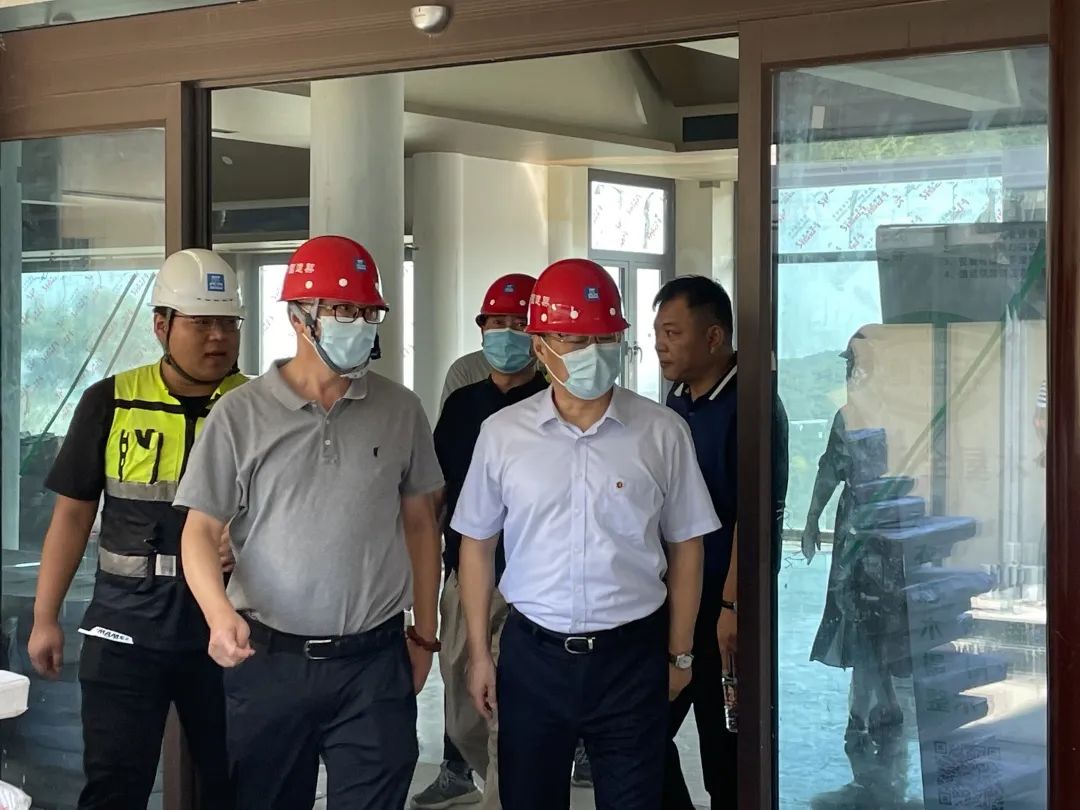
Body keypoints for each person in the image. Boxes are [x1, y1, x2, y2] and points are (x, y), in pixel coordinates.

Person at [174, 235, 444, 810]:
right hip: (269, 662)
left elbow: (423, 524)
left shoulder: (401, 410)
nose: (359, 324)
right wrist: (218, 615)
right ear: (299, 318)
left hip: (373, 663)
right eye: (342, 310)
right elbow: (198, 529)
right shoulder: (239, 414)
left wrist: (425, 633)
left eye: (368, 312)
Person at [452, 258, 720, 810]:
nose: (591, 353)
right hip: (533, 658)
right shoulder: (502, 434)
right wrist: (479, 654)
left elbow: (687, 545)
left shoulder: (661, 431)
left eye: (604, 338)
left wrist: (680, 655)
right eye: (574, 339)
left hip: (631, 657)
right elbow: (476, 545)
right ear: (541, 345)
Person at [27, 249, 245, 810]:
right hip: (125, 630)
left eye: (229, 323)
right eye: (202, 323)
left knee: (239, 786)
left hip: (232, 632)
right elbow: (72, 516)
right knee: (114, 789)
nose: (219, 337)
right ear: (161, 325)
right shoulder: (111, 400)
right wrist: (45, 618)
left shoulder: (259, 407)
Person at [653, 275, 789, 810]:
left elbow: (752, 520)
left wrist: (732, 608)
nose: (660, 345)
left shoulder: (751, 406)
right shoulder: (678, 398)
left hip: (726, 607)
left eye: (672, 333)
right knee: (641, 732)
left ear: (713, 337)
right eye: (657, 333)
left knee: (725, 752)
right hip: (677, 600)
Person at [412, 274, 548, 810]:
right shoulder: (464, 404)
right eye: (498, 323)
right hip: (466, 575)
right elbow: (435, 493)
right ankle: (493, 778)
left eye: (519, 323)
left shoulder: (553, 403)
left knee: (511, 708)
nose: (507, 333)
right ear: (482, 328)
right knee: (463, 702)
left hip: (530, 582)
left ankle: (507, 794)